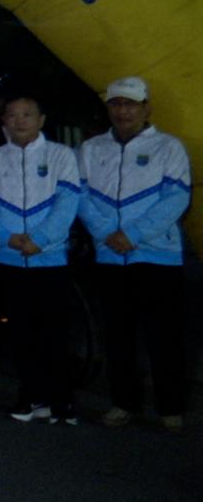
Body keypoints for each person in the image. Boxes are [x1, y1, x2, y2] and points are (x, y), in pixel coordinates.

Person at [77, 77, 191, 432]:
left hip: (157, 257)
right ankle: (123, 402)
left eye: (130, 104)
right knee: (118, 337)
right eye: (116, 104)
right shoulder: (91, 148)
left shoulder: (169, 147)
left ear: (146, 108)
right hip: (110, 256)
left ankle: (170, 407)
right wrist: (106, 233)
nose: (122, 111)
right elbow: (81, 196)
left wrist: (133, 235)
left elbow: (176, 198)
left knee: (165, 338)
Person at [0, 90, 83, 424]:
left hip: (49, 258)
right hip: (8, 258)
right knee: (19, 333)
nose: (19, 121)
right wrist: (5, 238)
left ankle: (61, 403)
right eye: (12, 115)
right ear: (4, 121)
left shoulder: (61, 155)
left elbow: (67, 203)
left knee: (54, 332)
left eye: (27, 114)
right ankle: (30, 397)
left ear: (41, 120)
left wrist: (41, 239)